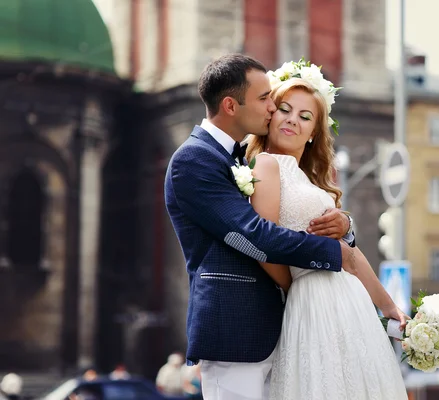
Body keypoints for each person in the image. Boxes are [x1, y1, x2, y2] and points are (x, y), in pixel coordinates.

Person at [164, 54, 359, 400]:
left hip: (276, 331)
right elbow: (252, 234)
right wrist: (334, 252)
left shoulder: (238, 158)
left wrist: (343, 224)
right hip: (234, 333)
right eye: (264, 98)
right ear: (230, 105)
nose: (272, 107)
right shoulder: (193, 160)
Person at [245, 73, 409, 399]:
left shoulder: (312, 181)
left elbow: (349, 255)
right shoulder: (266, 164)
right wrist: (299, 284)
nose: (293, 120)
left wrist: (389, 307)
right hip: (312, 301)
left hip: (351, 302)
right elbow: (263, 245)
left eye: (305, 117)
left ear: (312, 134)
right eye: (285, 109)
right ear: (270, 115)